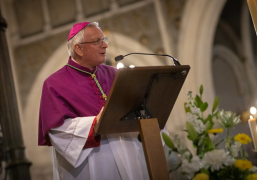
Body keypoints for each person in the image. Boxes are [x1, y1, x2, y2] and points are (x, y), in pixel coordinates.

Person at [38, 21, 164, 180]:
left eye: (104, 40)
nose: (105, 45)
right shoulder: (54, 84)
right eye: (97, 41)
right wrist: (94, 123)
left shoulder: (116, 75)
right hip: (93, 162)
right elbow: (58, 132)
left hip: (129, 154)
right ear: (78, 48)